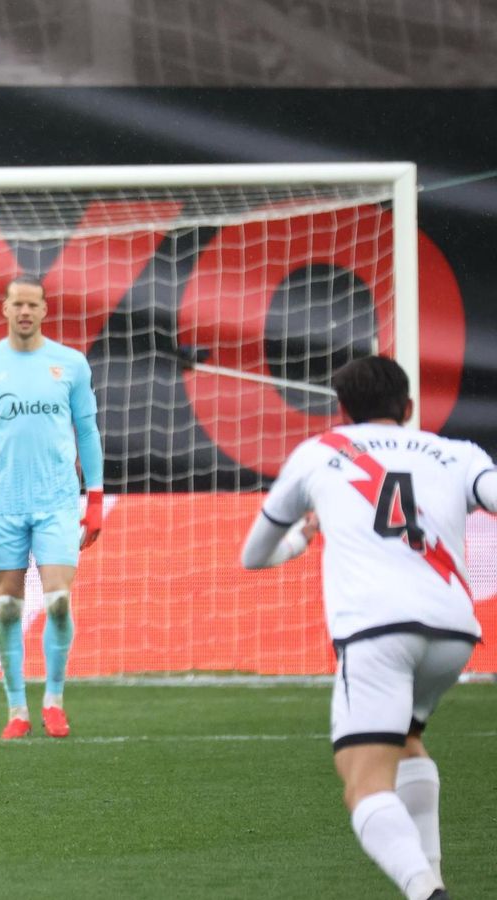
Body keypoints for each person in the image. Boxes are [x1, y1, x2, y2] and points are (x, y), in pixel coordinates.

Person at [242, 355, 492, 900]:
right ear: (407, 408)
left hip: (378, 630)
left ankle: (427, 891)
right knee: (408, 743)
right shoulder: (457, 453)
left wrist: (301, 539)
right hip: (454, 633)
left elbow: (252, 555)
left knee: (363, 785)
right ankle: (434, 878)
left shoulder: (321, 452)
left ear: (342, 410)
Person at [0, 275, 103, 740]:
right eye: (16, 303)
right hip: (3, 502)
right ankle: (17, 709)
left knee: (58, 601)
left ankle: (53, 700)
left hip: (58, 500)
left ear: (44, 309)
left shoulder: (70, 364)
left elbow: (88, 431)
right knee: (9, 609)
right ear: (4, 309)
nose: (24, 311)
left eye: (32, 304)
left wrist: (94, 496)